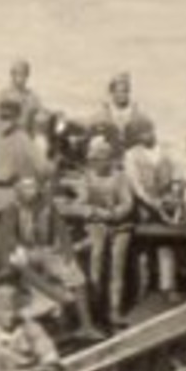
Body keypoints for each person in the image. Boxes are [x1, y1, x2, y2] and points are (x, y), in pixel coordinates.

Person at [12, 176, 100, 337]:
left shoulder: (53, 206)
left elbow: (87, 212)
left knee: (77, 279)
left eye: (31, 189)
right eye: (24, 190)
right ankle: (60, 321)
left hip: (52, 253)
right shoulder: (16, 210)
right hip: (32, 253)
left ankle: (86, 325)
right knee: (21, 269)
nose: (29, 193)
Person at [62, 137, 136, 326]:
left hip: (121, 227)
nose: (95, 163)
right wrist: (94, 212)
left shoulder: (120, 177)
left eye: (99, 159)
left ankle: (114, 310)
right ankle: (96, 308)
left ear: (108, 159)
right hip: (97, 225)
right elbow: (80, 203)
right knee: (96, 261)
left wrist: (113, 215)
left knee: (116, 267)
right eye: (93, 159)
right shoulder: (87, 178)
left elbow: (127, 204)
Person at [0, 92, 53, 264]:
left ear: (16, 118)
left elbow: (43, 168)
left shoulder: (22, 139)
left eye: (8, 118)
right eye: (2, 117)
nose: (4, 121)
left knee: (12, 243)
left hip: (10, 195)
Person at [122, 120, 184, 306]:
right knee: (143, 244)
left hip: (167, 204)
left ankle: (167, 287)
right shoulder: (131, 155)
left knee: (167, 241)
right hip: (144, 206)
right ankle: (143, 289)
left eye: (149, 131)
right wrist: (152, 202)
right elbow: (136, 186)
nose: (147, 136)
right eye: (142, 133)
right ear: (137, 137)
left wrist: (172, 197)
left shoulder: (166, 151)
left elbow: (177, 175)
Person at [88, 73, 155, 156]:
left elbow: (151, 142)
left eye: (125, 91)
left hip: (134, 161)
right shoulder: (100, 117)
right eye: (118, 91)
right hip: (108, 161)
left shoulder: (141, 118)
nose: (122, 95)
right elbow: (90, 137)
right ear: (112, 93)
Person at [0, 59, 47, 138]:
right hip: (6, 138)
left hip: (27, 139)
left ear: (27, 76)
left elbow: (41, 117)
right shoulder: (3, 95)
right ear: (12, 75)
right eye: (15, 73)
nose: (19, 77)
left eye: (22, 74)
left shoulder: (32, 97)